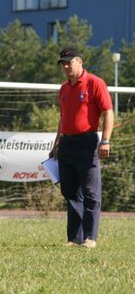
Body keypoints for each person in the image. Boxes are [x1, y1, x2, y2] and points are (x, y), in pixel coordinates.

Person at [49, 47, 114, 248]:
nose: (66, 67)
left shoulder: (95, 83)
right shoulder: (64, 88)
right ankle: (74, 239)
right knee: (69, 192)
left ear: (79, 61)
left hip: (87, 143)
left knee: (91, 192)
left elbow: (108, 112)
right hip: (66, 144)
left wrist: (105, 140)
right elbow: (63, 119)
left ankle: (90, 238)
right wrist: (56, 144)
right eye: (63, 64)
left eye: (69, 62)